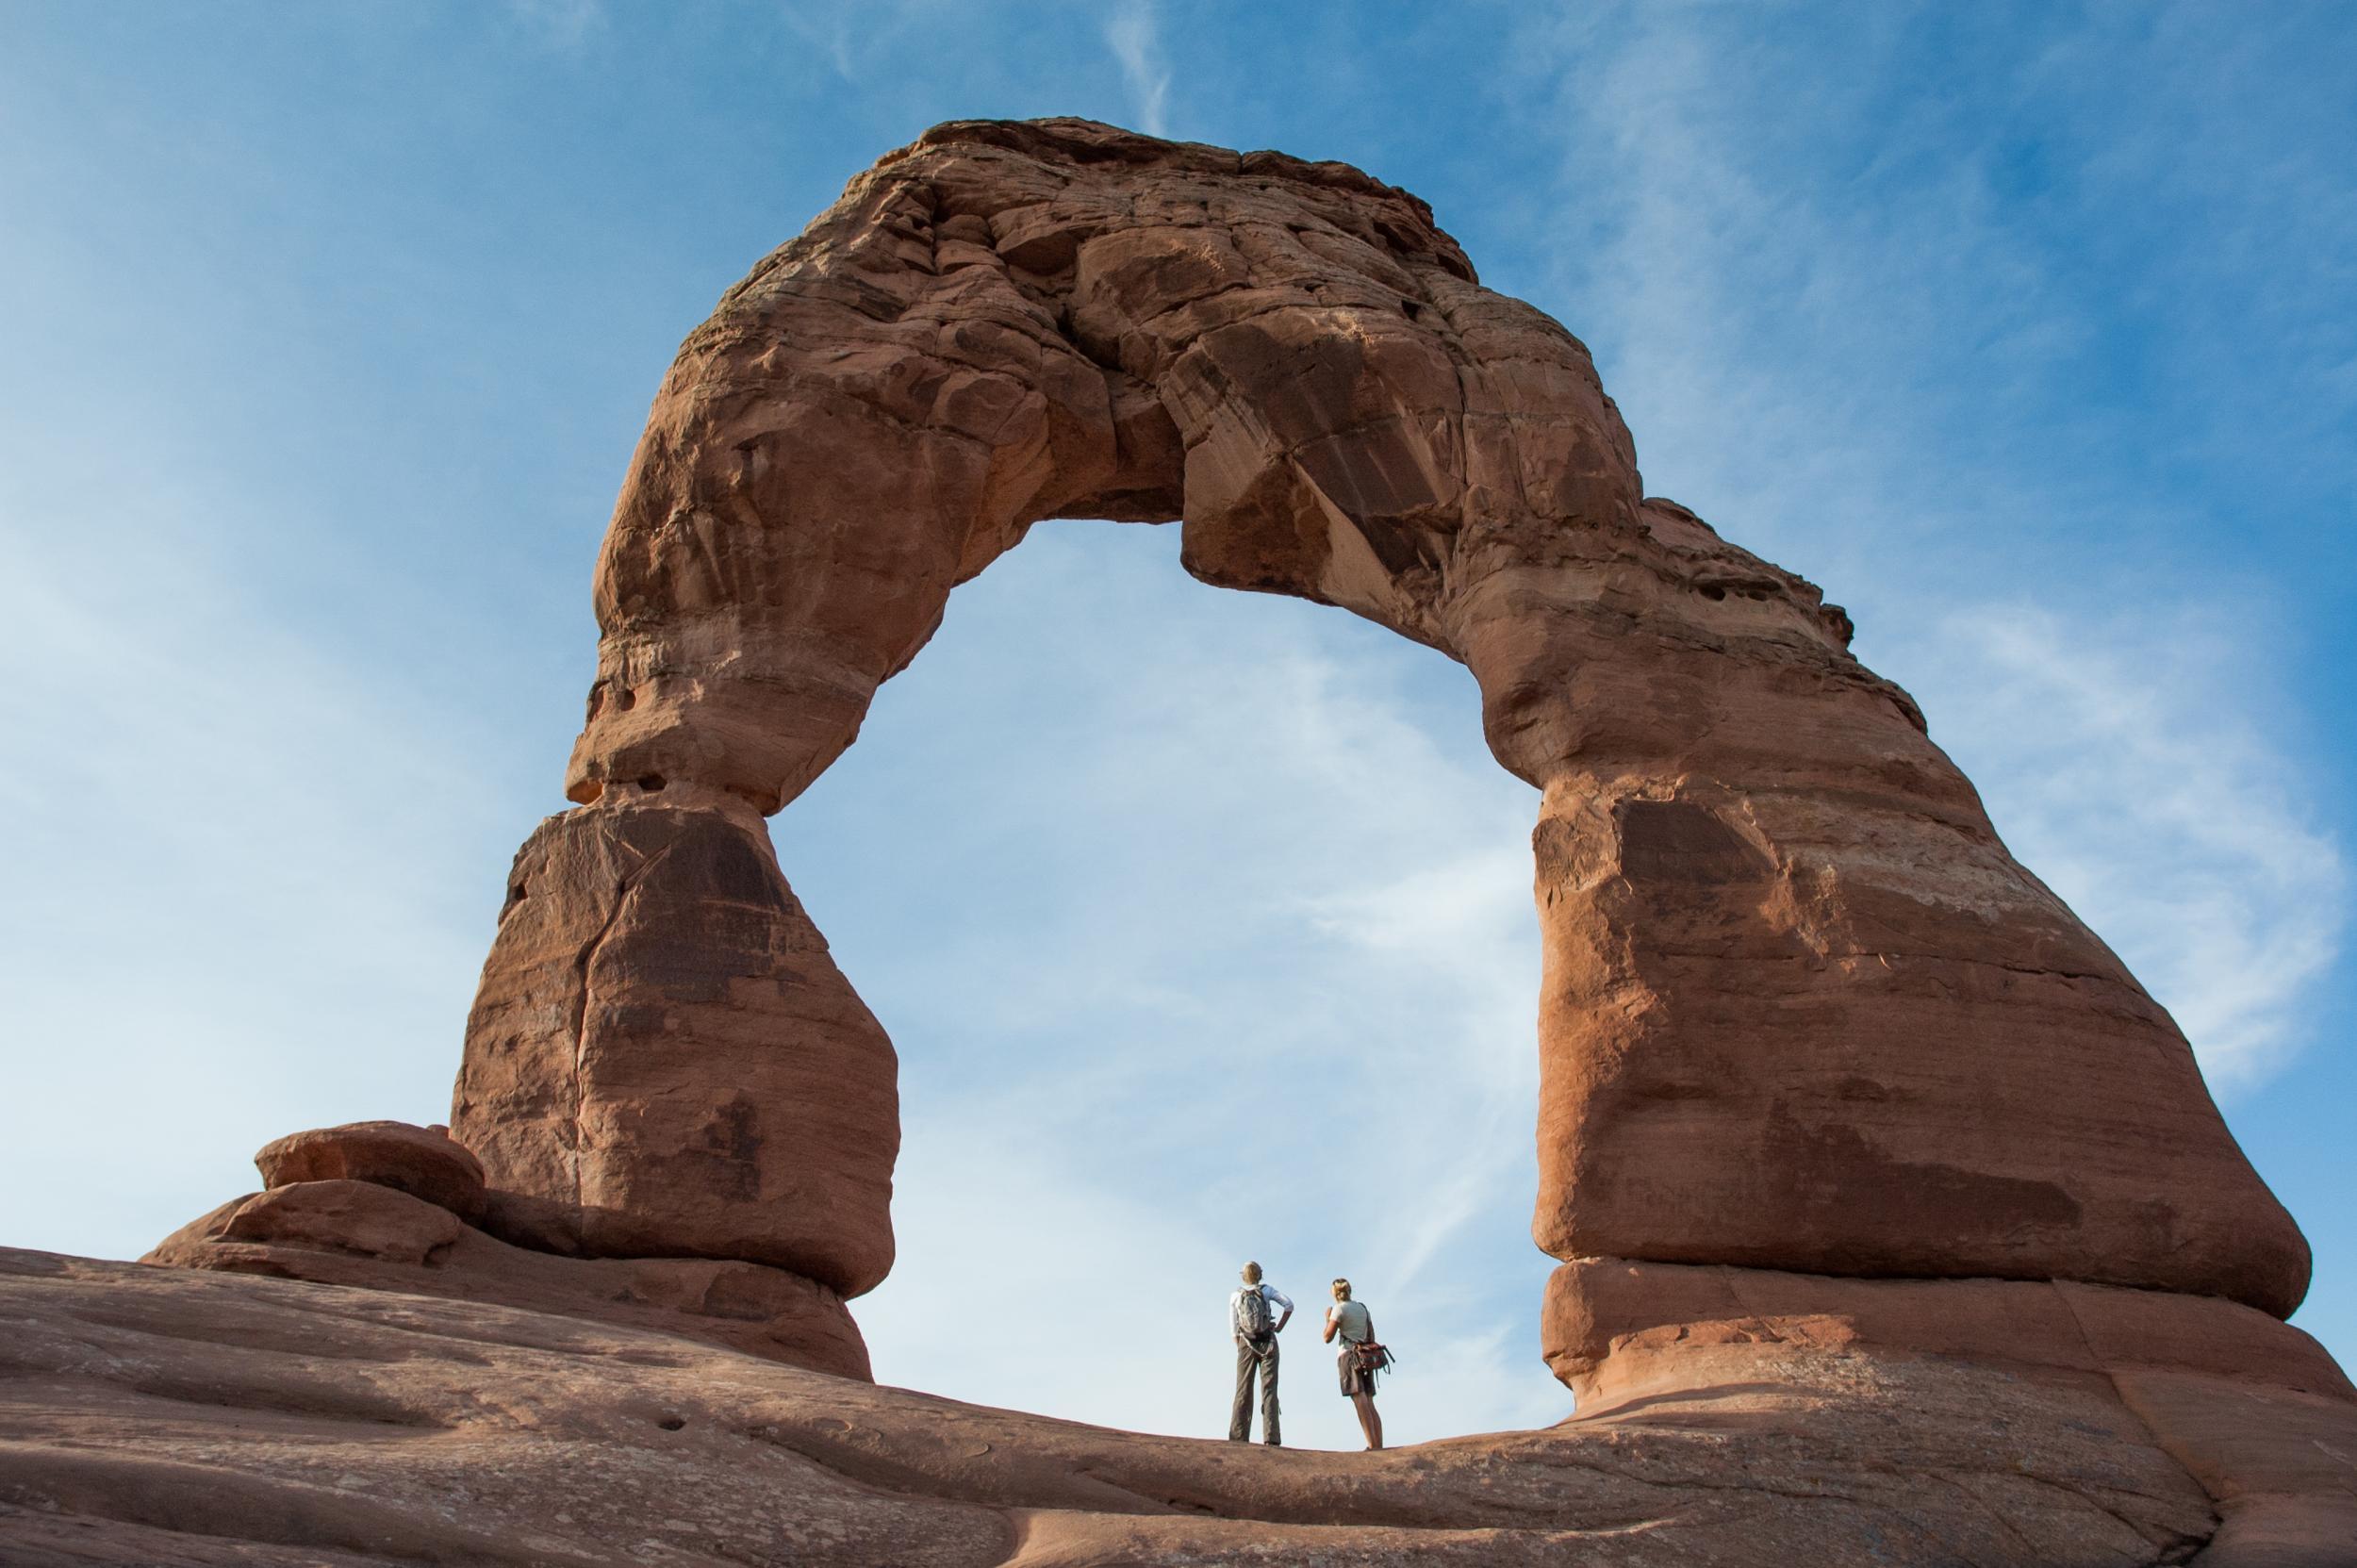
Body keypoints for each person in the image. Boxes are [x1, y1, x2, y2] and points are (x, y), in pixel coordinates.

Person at [1228, 1261, 1293, 1444]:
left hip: (1245, 1344)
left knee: (1243, 1389)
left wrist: (1241, 1343)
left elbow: (1233, 1328)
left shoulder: (1235, 1295)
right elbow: (1289, 1305)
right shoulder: (1267, 1290)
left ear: (1243, 1276)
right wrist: (1278, 1327)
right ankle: (1271, 1438)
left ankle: (1239, 1437)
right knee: (1269, 1389)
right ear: (1260, 1274)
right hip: (1269, 1343)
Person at [1322, 1276, 1384, 1450]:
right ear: (1349, 1290)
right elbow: (1371, 1334)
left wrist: (1327, 1319)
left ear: (1334, 1293)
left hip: (1348, 1356)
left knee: (1359, 1399)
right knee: (1370, 1401)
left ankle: (1371, 1445)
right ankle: (1378, 1444)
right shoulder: (1363, 1308)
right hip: (1365, 1355)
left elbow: (1327, 1337)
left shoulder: (1338, 1310)